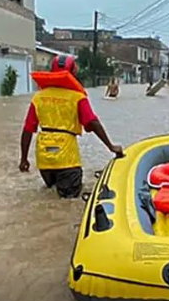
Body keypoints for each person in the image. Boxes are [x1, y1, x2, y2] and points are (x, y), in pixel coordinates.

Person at [19, 54, 123, 198]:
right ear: (73, 73)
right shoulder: (77, 97)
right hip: (66, 157)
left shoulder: (38, 97)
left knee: (51, 197)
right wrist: (111, 146)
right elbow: (92, 123)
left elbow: (27, 129)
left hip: (44, 158)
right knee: (69, 201)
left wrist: (24, 159)